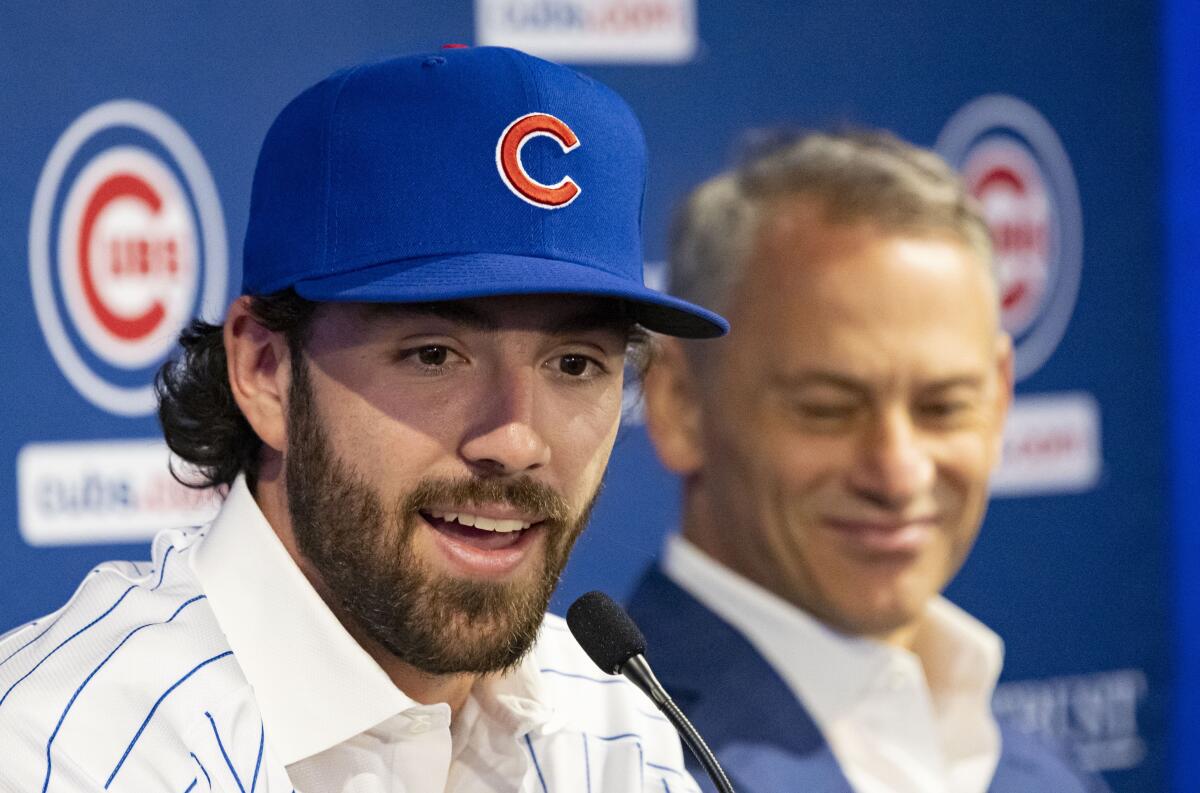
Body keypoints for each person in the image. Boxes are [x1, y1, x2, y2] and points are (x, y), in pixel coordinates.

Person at [0, 46, 727, 793]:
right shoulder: (63, 755)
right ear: (265, 372)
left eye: (574, 364)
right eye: (434, 354)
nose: (515, 439)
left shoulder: (613, 728)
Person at [627, 130, 1105, 793]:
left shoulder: (1042, 772)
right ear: (679, 401)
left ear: (999, 398)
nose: (898, 471)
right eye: (828, 408)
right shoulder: (607, 757)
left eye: (943, 406)